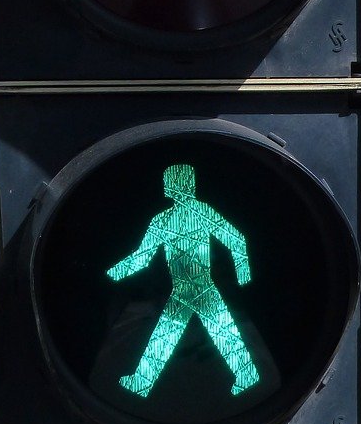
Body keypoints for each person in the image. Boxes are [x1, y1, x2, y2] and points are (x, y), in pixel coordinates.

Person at [107, 163, 260, 398]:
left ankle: (141, 382)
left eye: (173, 182)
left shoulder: (179, 216)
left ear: (174, 186)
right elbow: (142, 258)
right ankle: (246, 375)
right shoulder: (174, 218)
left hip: (199, 286)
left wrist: (244, 273)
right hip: (187, 287)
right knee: (206, 333)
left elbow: (235, 239)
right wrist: (113, 274)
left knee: (185, 335)